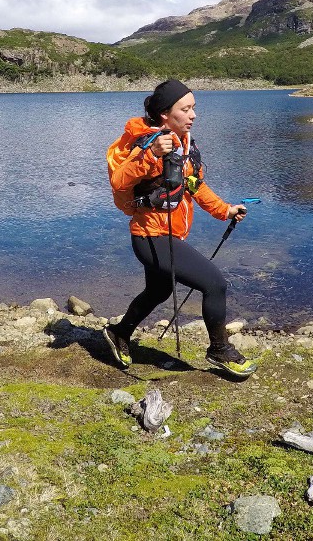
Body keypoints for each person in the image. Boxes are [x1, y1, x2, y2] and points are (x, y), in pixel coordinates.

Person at [103, 79, 257, 378]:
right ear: (165, 114)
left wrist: (224, 210)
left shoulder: (184, 144)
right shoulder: (149, 143)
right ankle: (219, 349)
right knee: (214, 283)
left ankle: (119, 332)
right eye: (185, 109)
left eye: (193, 108)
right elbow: (119, 181)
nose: (193, 115)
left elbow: (194, 185)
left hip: (166, 234)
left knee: (158, 291)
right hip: (150, 237)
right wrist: (152, 155)